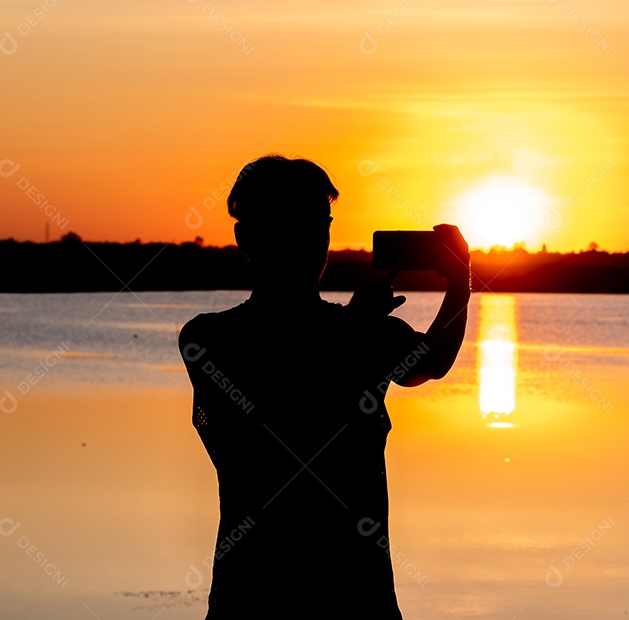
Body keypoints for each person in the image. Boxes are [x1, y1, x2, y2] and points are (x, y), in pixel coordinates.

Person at [178, 155, 470, 618]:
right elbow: (292, 405)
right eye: (293, 224)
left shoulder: (357, 333)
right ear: (246, 238)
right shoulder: (209, 339)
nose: (312, 240)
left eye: (321, 223)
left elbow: (430, 364)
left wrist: (459, 286)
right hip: (265, 591)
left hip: (344, 593)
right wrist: (454, 286)